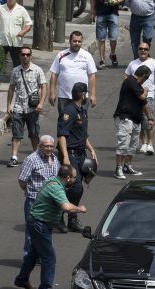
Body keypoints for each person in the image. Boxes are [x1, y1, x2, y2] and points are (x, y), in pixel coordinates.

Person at [14, 164, 87, 289]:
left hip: (38, 222)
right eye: (74, 178)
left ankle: (22, 280)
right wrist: (79, 208)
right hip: (39, 224)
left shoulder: (54, 181)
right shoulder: (56, 187)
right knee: (49, 256)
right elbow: (66, 207)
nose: (75, 180)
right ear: (67, 177)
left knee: (33, 254)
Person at [56, 82, 97, 233]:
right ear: (83, 94)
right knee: (74, 185)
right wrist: (66, 158)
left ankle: (72, 219)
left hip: (81, 153)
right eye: (86, 93)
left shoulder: (82, 111)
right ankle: (59, 216)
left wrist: (91, 149)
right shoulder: (69, 111)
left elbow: (82, 135)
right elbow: (61, 135)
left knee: (78, 187)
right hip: (71, 153)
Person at [124, 42, 155, 155]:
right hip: (135, 97)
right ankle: (143, 143)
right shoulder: (132, 64)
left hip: (148, 97)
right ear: (137, 50)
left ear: (149, 51)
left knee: (148, 119)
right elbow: (126, 77)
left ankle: (150, 144)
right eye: (140, 48)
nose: (143, 51)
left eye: (145, 49)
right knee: (138, 120)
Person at [18, 135, 59, 258]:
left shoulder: (55, 158)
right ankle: (29, 257)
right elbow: (22, 180)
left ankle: (44, 256)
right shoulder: (31, 159)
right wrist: (29, 191)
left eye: (51, 146)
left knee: (46, 230)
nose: (49, 148)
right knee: (32, 231)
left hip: (50, 202)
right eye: (46, 146)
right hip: (34, 201)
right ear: (40, 146)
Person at [6, 46, 47, 167]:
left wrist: (41, 103)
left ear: (31, 56)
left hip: (33, 108)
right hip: (19, 107)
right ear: (20, 56)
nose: (25, 57)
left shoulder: (37, 70)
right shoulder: (15, 71)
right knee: (16, 134)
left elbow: (44, 86)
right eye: (23, 54)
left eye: (28, 54)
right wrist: (9, 105)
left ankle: (37, 157)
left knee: (34, 134)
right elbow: (11, 88)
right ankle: (14, 157)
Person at [114, 65, 151, 179]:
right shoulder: (130, 81)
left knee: (133, 145)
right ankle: (118, 169)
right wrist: (146, 91)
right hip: (125, 117)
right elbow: (142, 97)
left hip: (136, 119)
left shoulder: (138, 85)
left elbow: (144, 103)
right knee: (123, 143)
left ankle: (127, 166)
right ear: (143, 75)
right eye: (147, 77)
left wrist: (150, 118)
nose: (146, 80)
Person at [49, 31, 98, 115]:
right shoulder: (61, 55)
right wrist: (52, 93)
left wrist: (93, 95)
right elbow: (54, 75)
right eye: (74, 41)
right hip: (64, 97)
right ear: (70, 41)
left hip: (81, 97)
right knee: (64, 124)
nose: (77, 43)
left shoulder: (87, 56)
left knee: (80, 124)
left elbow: (92, 76)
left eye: (79, 41)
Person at [90, 0, 125, 69]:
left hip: (113, 13)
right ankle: (102, 60)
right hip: (101, 14)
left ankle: (112, 54)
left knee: (113, 38)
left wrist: (117, 1)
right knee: (101, 38)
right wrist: (92, 12)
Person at [0, 0, 32, 70]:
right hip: (2, 42)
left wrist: (23, 31)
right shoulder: (0, 9)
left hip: (16, 43)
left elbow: (29, 24)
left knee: (18, 66)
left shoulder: (21, 10)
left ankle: (17, 82)